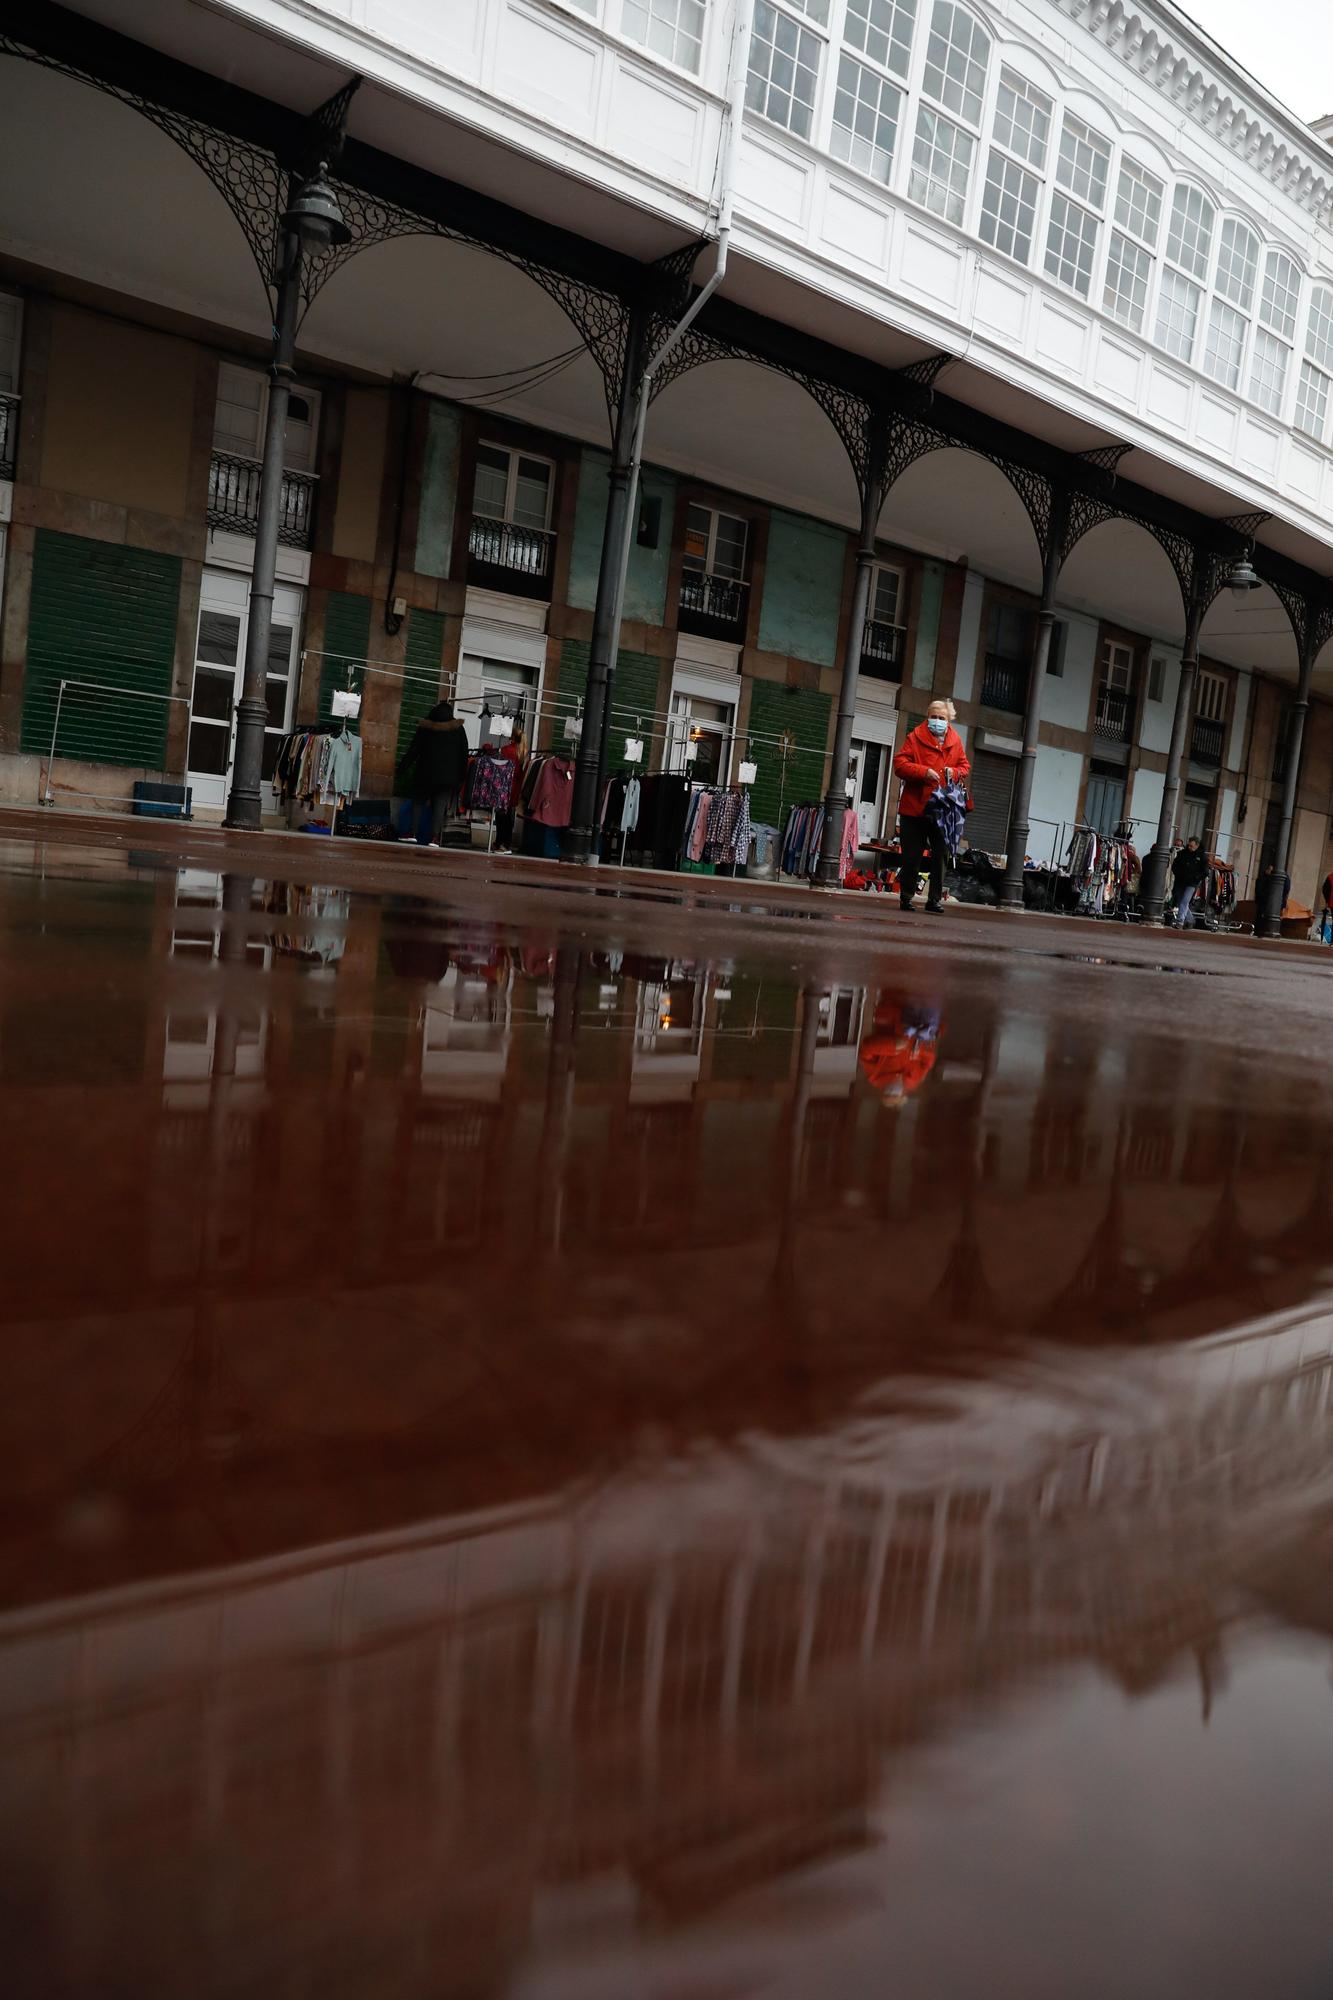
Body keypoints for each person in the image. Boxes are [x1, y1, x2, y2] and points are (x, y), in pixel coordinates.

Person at [892, 698, 970, 914]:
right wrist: (923, 772)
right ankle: (906, 897)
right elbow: (899, 764)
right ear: (927, 718)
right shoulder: (914, 737)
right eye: (933, 717)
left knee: (941, 856)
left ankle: (934, 899)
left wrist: (952, 772)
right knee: (911, 856)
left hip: (943, 809)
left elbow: (964, 766)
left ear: (949, 720)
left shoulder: (955, 741)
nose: (937, 721)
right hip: (915, 808)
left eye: (941, 718)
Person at [397, 699, 470, 847]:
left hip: (425, 774)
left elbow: (414, 749)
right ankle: (435, 838)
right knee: (439, 806)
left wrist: (401, 769)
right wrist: (461, 777)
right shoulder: (458, 729)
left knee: (418, 802)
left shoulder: (426, 727)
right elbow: (464, 754)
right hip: (447, 778)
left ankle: (412, 833)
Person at [496, 722, 529, 853]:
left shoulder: (506, 750)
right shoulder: (524, 752)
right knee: (509, 817)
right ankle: (506, 843)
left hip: (504, 786)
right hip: (515, 788)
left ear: (512, 737)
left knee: (500, 816)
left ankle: (500, 842)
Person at [1170, 836, 1209, 926]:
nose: (1189, 847)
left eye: (1192, 846)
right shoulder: (1182, 854)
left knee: (1184, 900)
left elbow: (1205, 871)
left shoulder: (1202, 856)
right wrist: (1178, 874)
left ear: (1197, 845)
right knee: (1180, 901)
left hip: (1192, 883)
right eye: (1189, 845)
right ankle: (1190, 920)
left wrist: (1196, 878)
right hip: (1181, 880)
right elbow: (1175, 865)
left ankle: (1180, 921)